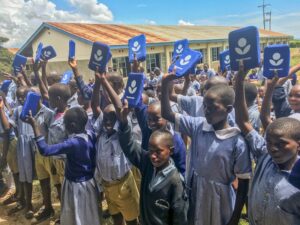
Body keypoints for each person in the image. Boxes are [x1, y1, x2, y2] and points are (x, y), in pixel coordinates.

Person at [161, 72, 251, 225]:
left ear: (229, 109)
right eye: (205, 106)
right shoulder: (198, 125)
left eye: (212, 107)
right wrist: (165, 84)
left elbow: (243, 183)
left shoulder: (237, 141)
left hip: (220, 198)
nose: (207, 111)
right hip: (196, 190)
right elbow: (167, 113)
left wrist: (236, 217)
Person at [234, 62, 300, 225]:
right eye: (269, 142)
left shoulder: (297, 178)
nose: (273, 148)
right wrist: (240, 81)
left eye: (281, 144)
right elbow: (243, 121)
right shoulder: (265, 155)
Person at [116, 98, 188, 225]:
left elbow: (180, 214)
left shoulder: (175, 181)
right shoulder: (147, 162)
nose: (153, 156)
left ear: (170, 151)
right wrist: (123, 122)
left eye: (158, 151)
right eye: (150, 150)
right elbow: (130, 147)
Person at [25, 107, 100, 225]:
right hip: (89, 184)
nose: (63, 125)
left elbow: (45, 150)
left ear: (73, 125)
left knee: (76, 215)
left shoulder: (73, 143)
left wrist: (34, 125)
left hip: (75, 187)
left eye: (64, 123)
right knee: (87, 214)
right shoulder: (90, 135)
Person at [92, 70, 139, 225]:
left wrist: (104, 81)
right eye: (105, 120)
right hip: (107, 185)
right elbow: (95, 106)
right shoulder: (101, 134)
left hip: (123, 184)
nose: (107, 123)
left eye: (112, 120)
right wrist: (98, 82)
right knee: (116, 215)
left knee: (131, 218)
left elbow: (119, 110)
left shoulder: (122, 134)